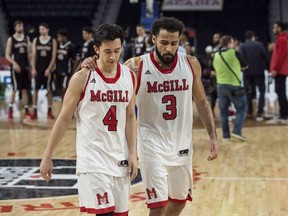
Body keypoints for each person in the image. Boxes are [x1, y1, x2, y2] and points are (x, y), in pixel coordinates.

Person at [82, 16, 218, 216]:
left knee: (179, 202)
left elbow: (202, 102)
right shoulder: (136, 66)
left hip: (181, 144)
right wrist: (90, 63)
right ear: (153, 40)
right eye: (164, 43)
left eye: (174, 43)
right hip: (150, 143)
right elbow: (107, 77)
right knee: (158, 205)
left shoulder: (191, 64)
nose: (169, 49)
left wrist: (212, 135)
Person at [40, 24, 138, 216]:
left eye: (117, 51)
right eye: (107, 51)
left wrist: (133, 152)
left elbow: (130, 116)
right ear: (96, 49)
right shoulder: (82, 78)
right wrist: (47, 155)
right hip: (92, 159)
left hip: (119, 157)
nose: (112, 57)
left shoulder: (129, 77)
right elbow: (63, 118)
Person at [212, 35, 248, 141]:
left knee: (223, 112)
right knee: (241, 108)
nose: (234, 44)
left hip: (220, 85)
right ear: (229, 43)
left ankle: (226, 136)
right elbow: (245, 66)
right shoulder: (235, 53)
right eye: (232, 42)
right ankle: (236, 131)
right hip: (234, 85)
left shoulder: (216, 55)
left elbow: (213, 70)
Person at [239, 30, 269, 121]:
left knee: (248, 92)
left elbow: (241, 58)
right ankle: (260, 111)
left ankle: (249, 112)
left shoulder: (242, 46)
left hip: (247, 72)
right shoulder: (259, 45)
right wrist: (268, 68)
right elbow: (265, 57)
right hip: (259, 72)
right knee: (262, 91)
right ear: (253, 36)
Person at [5, 20, 31, 119]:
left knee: (25, 90)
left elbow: (29, 54)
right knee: (15, 89)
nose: (21, 27)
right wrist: (14, 64)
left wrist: (31, 67)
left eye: (22, 26)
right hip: (16, 68)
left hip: (25, 67)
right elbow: (7, 55)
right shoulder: (11, 39)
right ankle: (10, 109)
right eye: (19, 26)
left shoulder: (26, 38)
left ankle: (26, 110)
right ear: (15, 27)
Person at [31, 22, 57, 119]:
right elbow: (34, 55)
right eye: (39, 29)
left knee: (49, 90)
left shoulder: (52, 41)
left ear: (47, 29)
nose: (40, 31)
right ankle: (34, 110)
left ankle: (49, 110)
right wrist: (33, 68)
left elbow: (53, 57)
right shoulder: (36, 40)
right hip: (38, 69)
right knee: (36, 89)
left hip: (48, 69)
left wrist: (49, 69)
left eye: (42, 29)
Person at [270, 21, 288, 123]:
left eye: (275, 27)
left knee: (280, 91)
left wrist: (275, 69)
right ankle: (283, 113)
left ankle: (285, 114)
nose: (273, 30)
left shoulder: (281, 39)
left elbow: (280, 56)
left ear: (280, 28)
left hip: (280, 70)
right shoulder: (281, 39)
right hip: (281, 69)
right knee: (280, 91)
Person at [55, 29, 77, 99]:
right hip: (58, 70)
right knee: (59, 89)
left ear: (64, 37)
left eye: (59, 37)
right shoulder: (57, 45)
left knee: (65, 88)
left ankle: (65, 105)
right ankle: (61, 104)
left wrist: (73, 71)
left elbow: (74, 60)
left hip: (66, 71)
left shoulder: (71, 46)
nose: (58, 39)